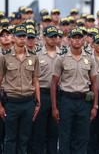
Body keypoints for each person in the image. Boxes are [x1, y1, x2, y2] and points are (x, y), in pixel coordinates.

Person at [51, 27, 98, 154]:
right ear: (69, 40)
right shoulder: (61, 58)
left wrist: (95, 106)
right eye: (74, 38)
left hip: (84, 101)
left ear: (83, 40)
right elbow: (54, 83)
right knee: (65, 136)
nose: (77, 41)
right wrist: (54, 107)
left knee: (82, 137)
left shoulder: (89, 59)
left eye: (79, 38)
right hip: (67, 100)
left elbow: (94, 83)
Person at [0, 24, 41, 154]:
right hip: (11, 103)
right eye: (19, 36)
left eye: (24, 36)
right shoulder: (5, 57)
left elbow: (35, 81)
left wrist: (38, 102)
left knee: (24, 139)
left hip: (28, 102)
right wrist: (0, 105)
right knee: (10, 138)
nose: (22, 39)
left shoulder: (33, 57)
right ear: (13, 37)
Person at [29, 26, 60, 154]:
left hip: (58, 95)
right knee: (39, 133)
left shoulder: (63, 53)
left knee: (54, 133)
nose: (53, 39)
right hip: (41, 94)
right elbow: (32, 77)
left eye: (55, 36)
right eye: (50, 36)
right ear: (44, 38)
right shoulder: (36, 54)